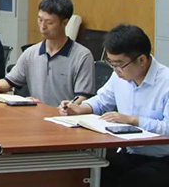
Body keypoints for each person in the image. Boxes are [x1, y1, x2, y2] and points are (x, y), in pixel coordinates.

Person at [59, 24, 169, 187]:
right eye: (111, 63)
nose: (115, 70)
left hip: (161, 159)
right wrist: (80, 108)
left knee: (133, 180)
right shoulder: (120, 76)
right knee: (87, 171)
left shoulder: (165, 82)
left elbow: (167, 128)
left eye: (119, 64)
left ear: (142, 60)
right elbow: (102, 100)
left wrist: (132, 120)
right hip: (128, 153)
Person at [0, 0, 94, 106]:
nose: (42, 26)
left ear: (64, 23)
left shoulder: (82, 56)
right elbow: (9, 82)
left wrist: (67, 107)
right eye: (40, 19)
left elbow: (83, 97)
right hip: (36, 114)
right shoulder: (31, 53)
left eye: (49, 22)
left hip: (64, 115)